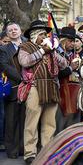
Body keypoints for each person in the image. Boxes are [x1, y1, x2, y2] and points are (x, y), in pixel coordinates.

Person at [18, 20, 68, 164]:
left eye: (46, 35)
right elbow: (24, 62)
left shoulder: (51, 49)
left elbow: (64, 64)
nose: (46, 37)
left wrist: (53, 50)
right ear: (35, 36)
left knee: (49, 121)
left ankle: (47, 150)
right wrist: (42, 51)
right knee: (32, 121)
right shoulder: (25, 47)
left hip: (51, 87)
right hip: (34, 86)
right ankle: (30, 153)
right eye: (42, 35)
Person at [0, 22, 24, 159]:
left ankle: (23, 148)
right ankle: (12, 150)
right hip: (13, 88)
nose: (13, 31)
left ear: (20, 31)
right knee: (11, 120)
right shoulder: (3, 49)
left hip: (29, 89)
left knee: (25, 120)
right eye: (10, 30)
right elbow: (4, 66)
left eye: (16, 29)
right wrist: (22, 78)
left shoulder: (28, 44)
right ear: (7, 34)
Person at [55, 26, 81, 133]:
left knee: (73, 125)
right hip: (59, 92)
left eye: (74, 41)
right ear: (63, 41)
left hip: (74, 93)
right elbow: (56, 73)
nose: (73, 44)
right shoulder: (55, 53)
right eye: (70, 41)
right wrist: (71, 68)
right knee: (60, 124)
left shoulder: (74, 54)